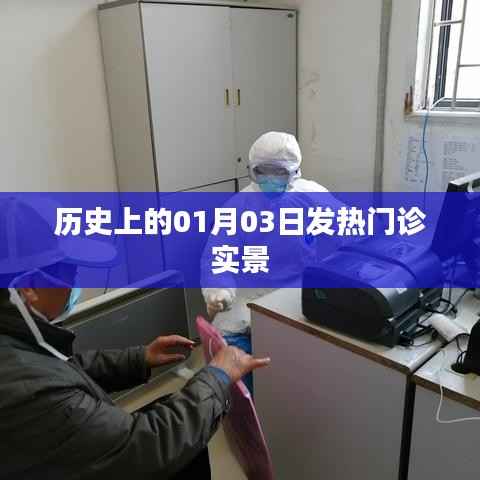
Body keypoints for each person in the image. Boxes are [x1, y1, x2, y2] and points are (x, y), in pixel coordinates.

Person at [0, 197, 270, 479]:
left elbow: (62, 371)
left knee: (176, 415)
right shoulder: (28, 391)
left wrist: (139, 359)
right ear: (29, 286)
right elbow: (143, 448)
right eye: (71, 272)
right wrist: (216, 377)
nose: (75, 284)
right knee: (176, 438)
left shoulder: (19, 343)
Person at [202, 131, 343, 392]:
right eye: (262, 172)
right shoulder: (239, 206)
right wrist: (219, 289)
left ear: (295, 171)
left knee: (300, 359)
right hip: (249, 291)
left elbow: (349, 227)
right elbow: (219, 253)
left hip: (296, 289)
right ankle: (251, 408)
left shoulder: (311, 196)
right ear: (251, 170)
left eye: (278, 173)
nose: (270, 181)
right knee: (228, 353)